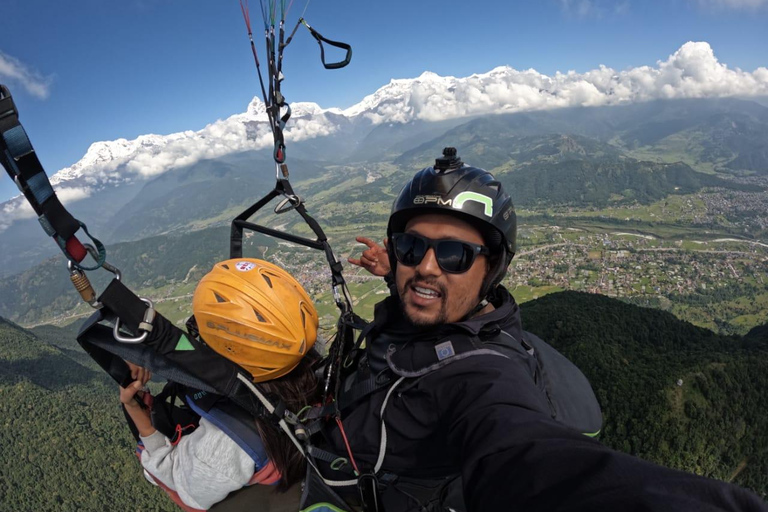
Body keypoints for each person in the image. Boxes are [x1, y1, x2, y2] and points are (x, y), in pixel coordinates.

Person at [337, 148, 767, 511]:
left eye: (454, 255)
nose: (426, 267)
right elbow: (424, 279)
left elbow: (529, 458)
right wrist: (394, 270)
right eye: (412, 247)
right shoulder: (436, 295)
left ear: (493, 269)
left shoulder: (483, 373)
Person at [120, 258, 316, 511]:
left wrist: (138, 415)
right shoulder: (313, 367)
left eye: (197, 330)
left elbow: (178, 482)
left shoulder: (228, 444)